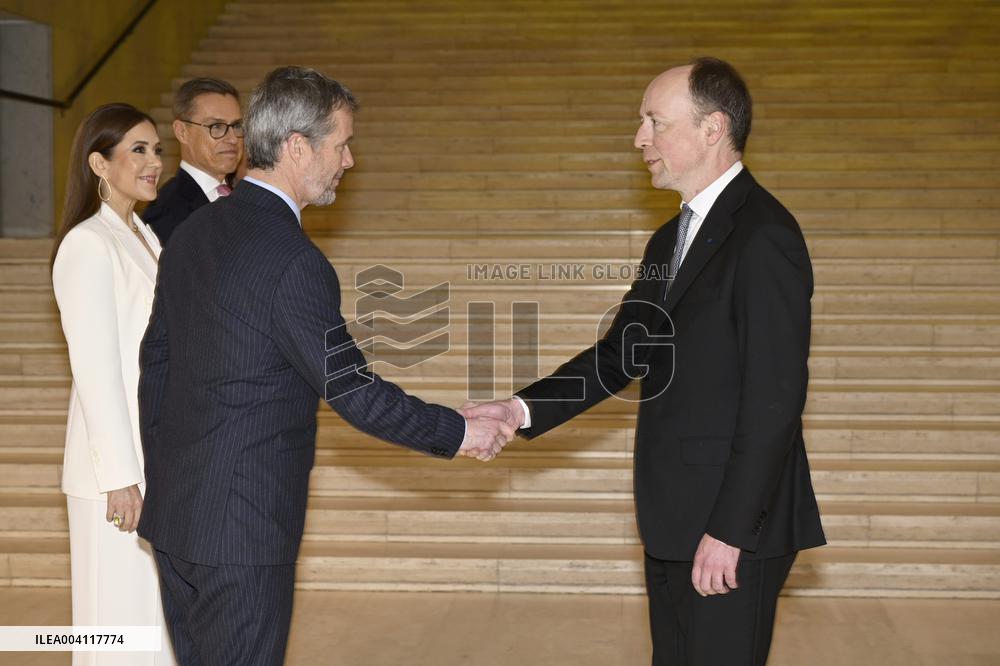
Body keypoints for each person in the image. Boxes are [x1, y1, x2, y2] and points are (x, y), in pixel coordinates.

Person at [136, 66, 511, 665]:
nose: (349, 161)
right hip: (243, 531)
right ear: (297, 147)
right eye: (342, 144)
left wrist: (166, 470)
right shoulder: (293, 260)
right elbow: (354, 391)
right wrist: (460, 431)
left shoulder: (193, 230)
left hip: (179, 517)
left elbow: (155, 362)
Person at [464, 58, 826, 666]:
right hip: (674, 519)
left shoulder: (764, 235)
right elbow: (620, 355)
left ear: (712, 128)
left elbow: (774, 399)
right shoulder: (670, 239)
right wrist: (518, 408)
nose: (639, 139)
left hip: (731, 529)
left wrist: (731, 530)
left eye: (654, 121)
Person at [50, 103, 176, 665]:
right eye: (139, 151)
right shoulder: (87, 244)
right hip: (114, 476)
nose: (154, 163)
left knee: (150, 624)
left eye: (157, 150)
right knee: (114, 631)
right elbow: (96, 370)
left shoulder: (144, 235)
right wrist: (121, 478)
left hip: (153, 458)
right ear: (99, 164)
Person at [142, 78, 243, 245]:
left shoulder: (241, 196)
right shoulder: (165, 213)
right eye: (216, 126)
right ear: (182, 132)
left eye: (237, 125)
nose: (232, 139)